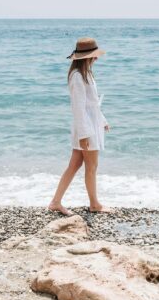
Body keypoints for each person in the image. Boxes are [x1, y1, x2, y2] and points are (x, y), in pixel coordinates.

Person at [48, 37, 112, 214]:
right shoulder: (77, 77)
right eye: (94, 56)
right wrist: (84, 135)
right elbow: (78, 108)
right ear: (86, 57)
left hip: (90, 125)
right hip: (86, 128)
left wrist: (103, 120)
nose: (96, 58)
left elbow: (92, 104)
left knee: (75, 165)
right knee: (91, 167)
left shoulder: (87, 74)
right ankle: (94, 204)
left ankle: (55, 202)